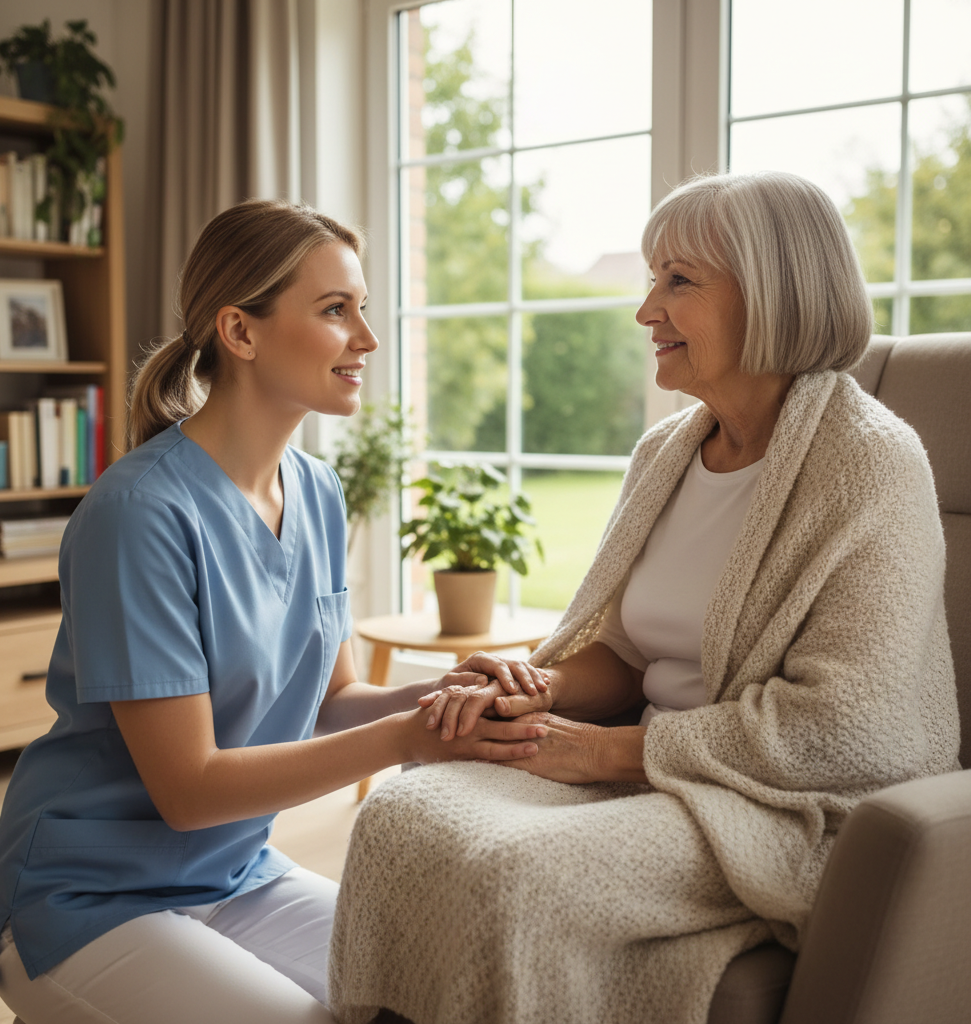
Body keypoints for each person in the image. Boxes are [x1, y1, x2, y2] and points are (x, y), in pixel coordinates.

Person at [328, 172, 961, 1024]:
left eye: (679, 281)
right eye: (651, 280)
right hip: (653, 762)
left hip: (776, 804)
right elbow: (627, 651)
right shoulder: (666, 451)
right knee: (401, 813)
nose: (645, 312)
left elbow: (848, 728)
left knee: (518, 871)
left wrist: (595, 755)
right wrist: (542, 692)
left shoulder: (869, 461)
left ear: (772, 294)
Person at [0, 199, 551, 1024]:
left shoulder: (316, 492)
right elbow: (189, 789)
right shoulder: (137, 512)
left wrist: (443, 694)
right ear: (240, 333)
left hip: (233, 871)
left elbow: (329, 699)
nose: (367, 339)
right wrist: (404, 738)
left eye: (362, 309)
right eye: (334, 310)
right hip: (85, 897)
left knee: (427, 994)